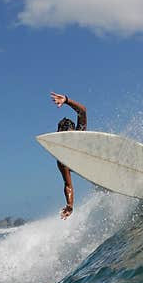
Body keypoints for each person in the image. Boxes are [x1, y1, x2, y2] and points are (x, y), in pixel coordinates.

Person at [50, 91, 86, 219]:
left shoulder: (80, 134)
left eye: (69, 135)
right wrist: (70, 205)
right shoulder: (62, 160)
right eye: (63, 137)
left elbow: (82, 111)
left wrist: (66, 100)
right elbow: (68, 185)